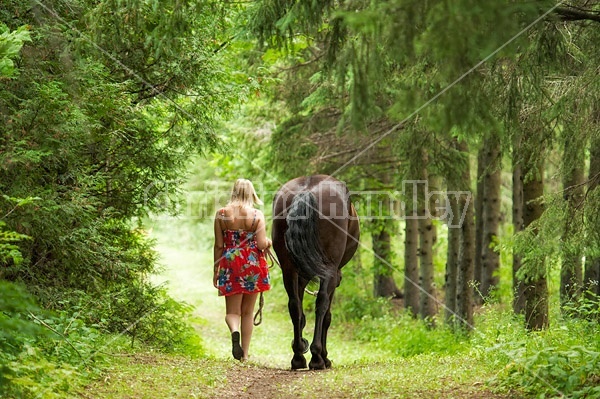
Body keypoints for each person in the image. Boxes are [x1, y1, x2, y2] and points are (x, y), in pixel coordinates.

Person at [213, 178, 272, 361]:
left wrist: (216, 270)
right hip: (252, 265)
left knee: (232, 313)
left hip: (230, 264)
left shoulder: (221, 214)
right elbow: (262, 244)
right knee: (247, 313)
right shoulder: (257, 215)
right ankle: (244, 355)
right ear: (251, 193)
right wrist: (269, 242)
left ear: (234, 191)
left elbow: (218, 245)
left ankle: (234, 331)